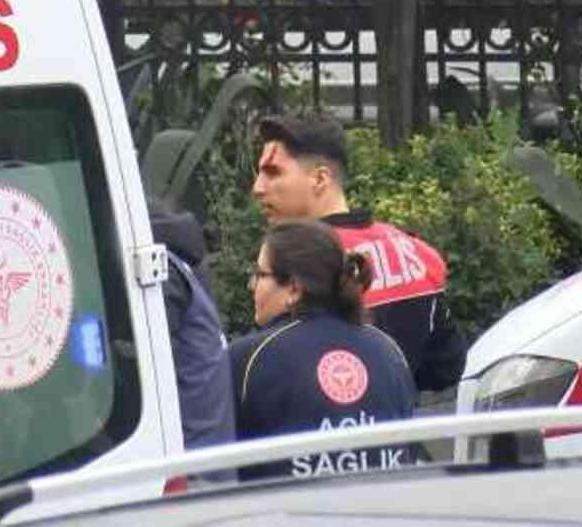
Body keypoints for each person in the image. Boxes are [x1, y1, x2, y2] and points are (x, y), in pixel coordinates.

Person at [251, 114, 465, 393]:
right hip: (395, 428)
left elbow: (268, 368)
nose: (257, 188)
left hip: (315, 430)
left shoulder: (296, 263)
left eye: (273, 173)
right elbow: (445, 368)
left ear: (319, 178)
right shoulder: (417, 252)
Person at [229, 220, 415, 481]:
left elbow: (216, 465)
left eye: (260, 274)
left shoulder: (246, 359)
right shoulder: (387, 349)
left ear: (293, 288)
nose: (252, 285)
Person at [147, 199, 236, 468]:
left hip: (194, 470)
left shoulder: (164, 274)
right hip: (209, 461)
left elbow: (150, 367)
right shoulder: (183, 267)